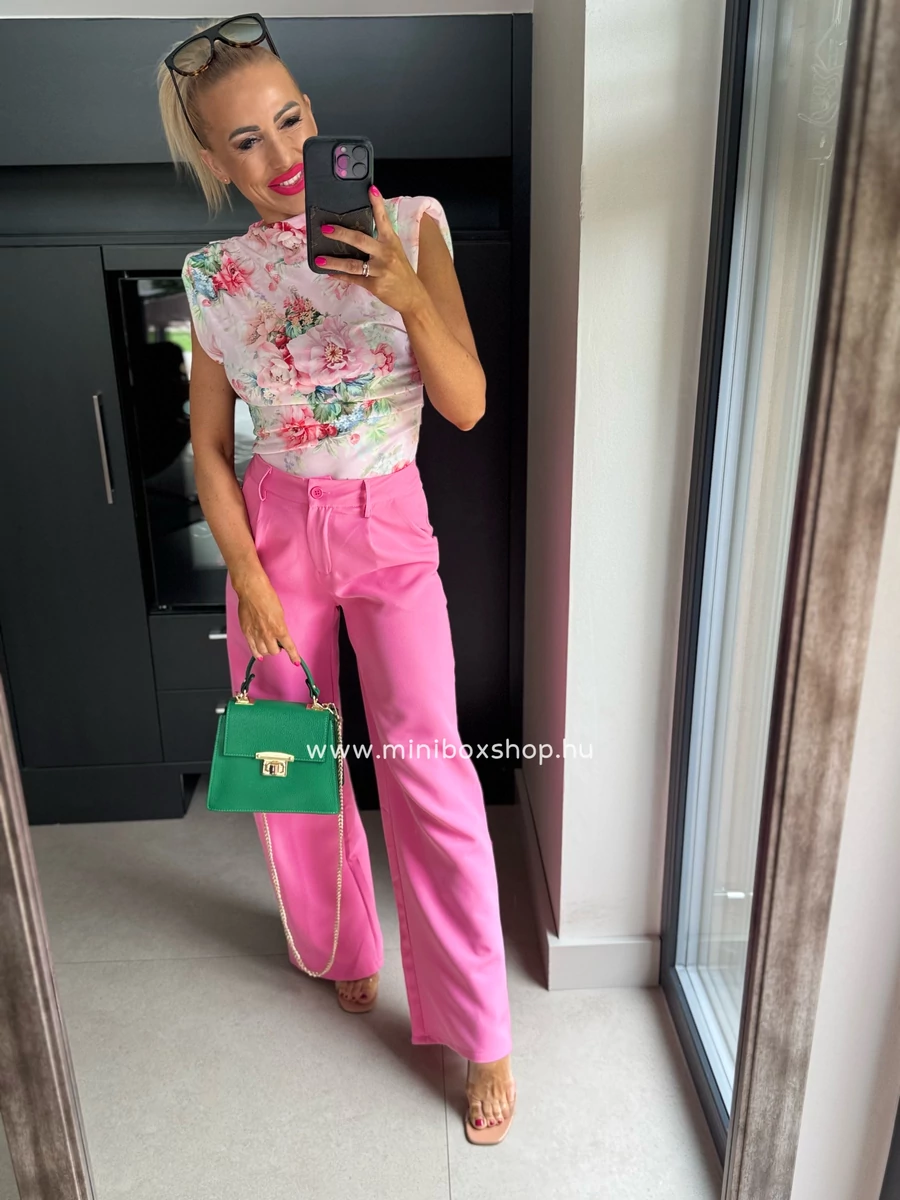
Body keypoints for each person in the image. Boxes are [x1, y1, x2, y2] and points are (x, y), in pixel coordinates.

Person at [156, 16, 516, 1145]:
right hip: (272, 529)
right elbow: (208, 447)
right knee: (291, 757)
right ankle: (339, 941)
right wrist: (248, 576)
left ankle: (482, 1029)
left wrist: (406, 290)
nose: (278, 156)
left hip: (386, 520)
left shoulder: (413, 223)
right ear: (215, 160)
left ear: (315, 115)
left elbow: (467, 404)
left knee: (428, 766)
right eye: (246, 141)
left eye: (290, 121)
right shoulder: (214, 277)